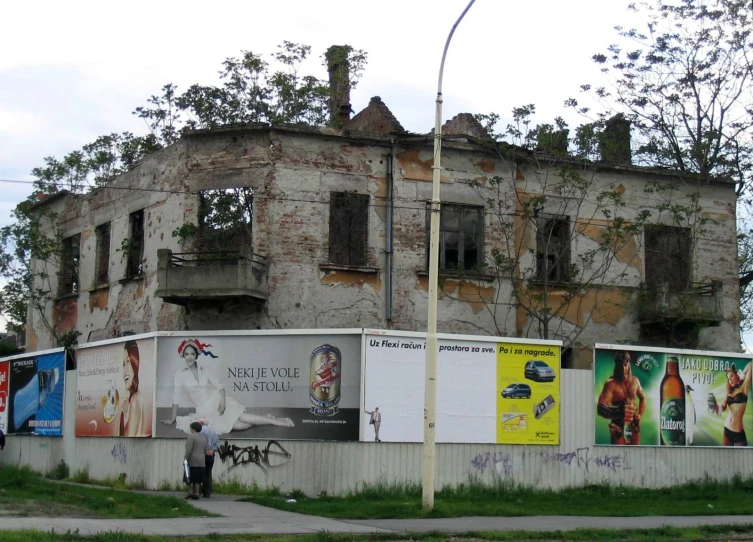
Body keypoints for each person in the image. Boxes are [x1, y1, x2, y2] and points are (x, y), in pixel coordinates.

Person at [161, 339, 294, 435]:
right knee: (236, 426)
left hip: (217, 401)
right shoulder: (180, 375)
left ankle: (277, 422)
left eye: (191, 354)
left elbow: (219, 385)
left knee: (241, 417)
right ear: (183, 356)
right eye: (186, 354)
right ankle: (265, 417)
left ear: (196, 355)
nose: (189, 357)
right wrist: (172, 419)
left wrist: (223, 402)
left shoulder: (204, 371)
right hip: (204, 410)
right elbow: (176, 398)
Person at [597, 351, 646, 445]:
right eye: (620, 365)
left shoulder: (635, 381)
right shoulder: (610, 384)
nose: (623, 368)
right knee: (618, 455)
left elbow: (643, 398)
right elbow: (601, 408)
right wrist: (619, 410)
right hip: (618, 425)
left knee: (636, 453)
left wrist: (639, 414)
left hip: (633, 424)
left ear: (629, 364)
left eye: (625, 365)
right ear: (616, 365)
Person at [719, 362, 752, 446]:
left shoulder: (744, 387)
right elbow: (723, 407)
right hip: (727, 430)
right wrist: (716, 406)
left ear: (737, 375)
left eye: (732, 376)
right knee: (724, 457)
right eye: (728, 379)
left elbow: (750, 365)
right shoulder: (729, 392)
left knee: (742, 457)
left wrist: (740, 378)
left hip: (738, 432)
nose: (730, 380)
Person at [119, 341, 145, 436]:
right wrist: (124, 415)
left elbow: (129, 440)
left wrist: (124, 417)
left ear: (135, 363)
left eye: (128, 362)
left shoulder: (135, 399)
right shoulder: (132, 399)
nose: (125, 370)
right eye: (123, 364)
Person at [184, 421, 205, 500]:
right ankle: (196, 493)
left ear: (193, 429)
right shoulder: (203, 437)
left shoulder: (191, 437)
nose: (190, 430)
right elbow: (205, 449)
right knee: (197, 479)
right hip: (201, 461)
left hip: (192, 460)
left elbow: (189, 450)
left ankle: (190, 492)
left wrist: (185, 458)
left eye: (191, 428)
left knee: (188, 477)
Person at [199, 418, 219, 498]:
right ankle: (207, 492)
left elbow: (200, 443)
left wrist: (206, 450)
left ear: (202, 423)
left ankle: (198, 490)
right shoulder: (213, 431)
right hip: (211, 455)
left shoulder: (200, 431)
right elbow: (217, 443)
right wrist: (212, 450)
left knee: (200, 472)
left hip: (202, 454)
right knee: (208, 472)